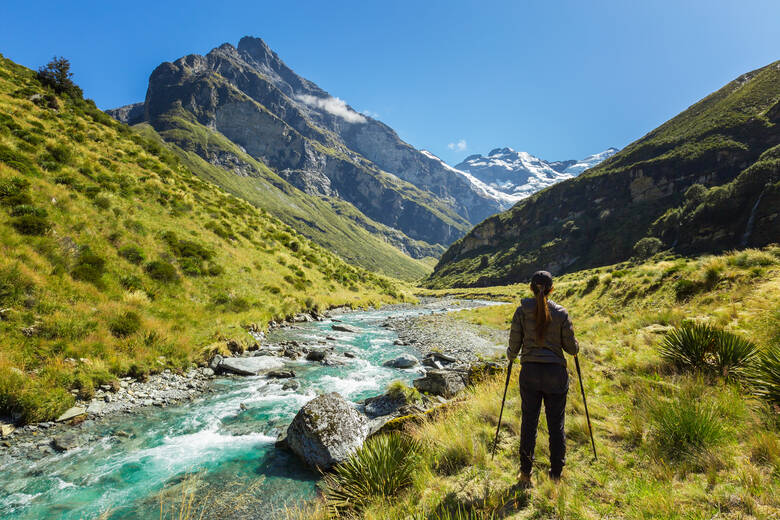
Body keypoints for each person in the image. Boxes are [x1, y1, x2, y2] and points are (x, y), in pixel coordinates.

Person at [506, 270, 579, 484]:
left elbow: (514, 345)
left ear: (531, 287)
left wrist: (511, 357)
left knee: (529, 422)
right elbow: (571, 349)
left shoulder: (521, 311)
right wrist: (577, 346)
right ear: (551, 289)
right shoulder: (561, 313)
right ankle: (556, 474)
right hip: (555, 374)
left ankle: (526, 474)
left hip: (529, 373)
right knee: (556, 424)